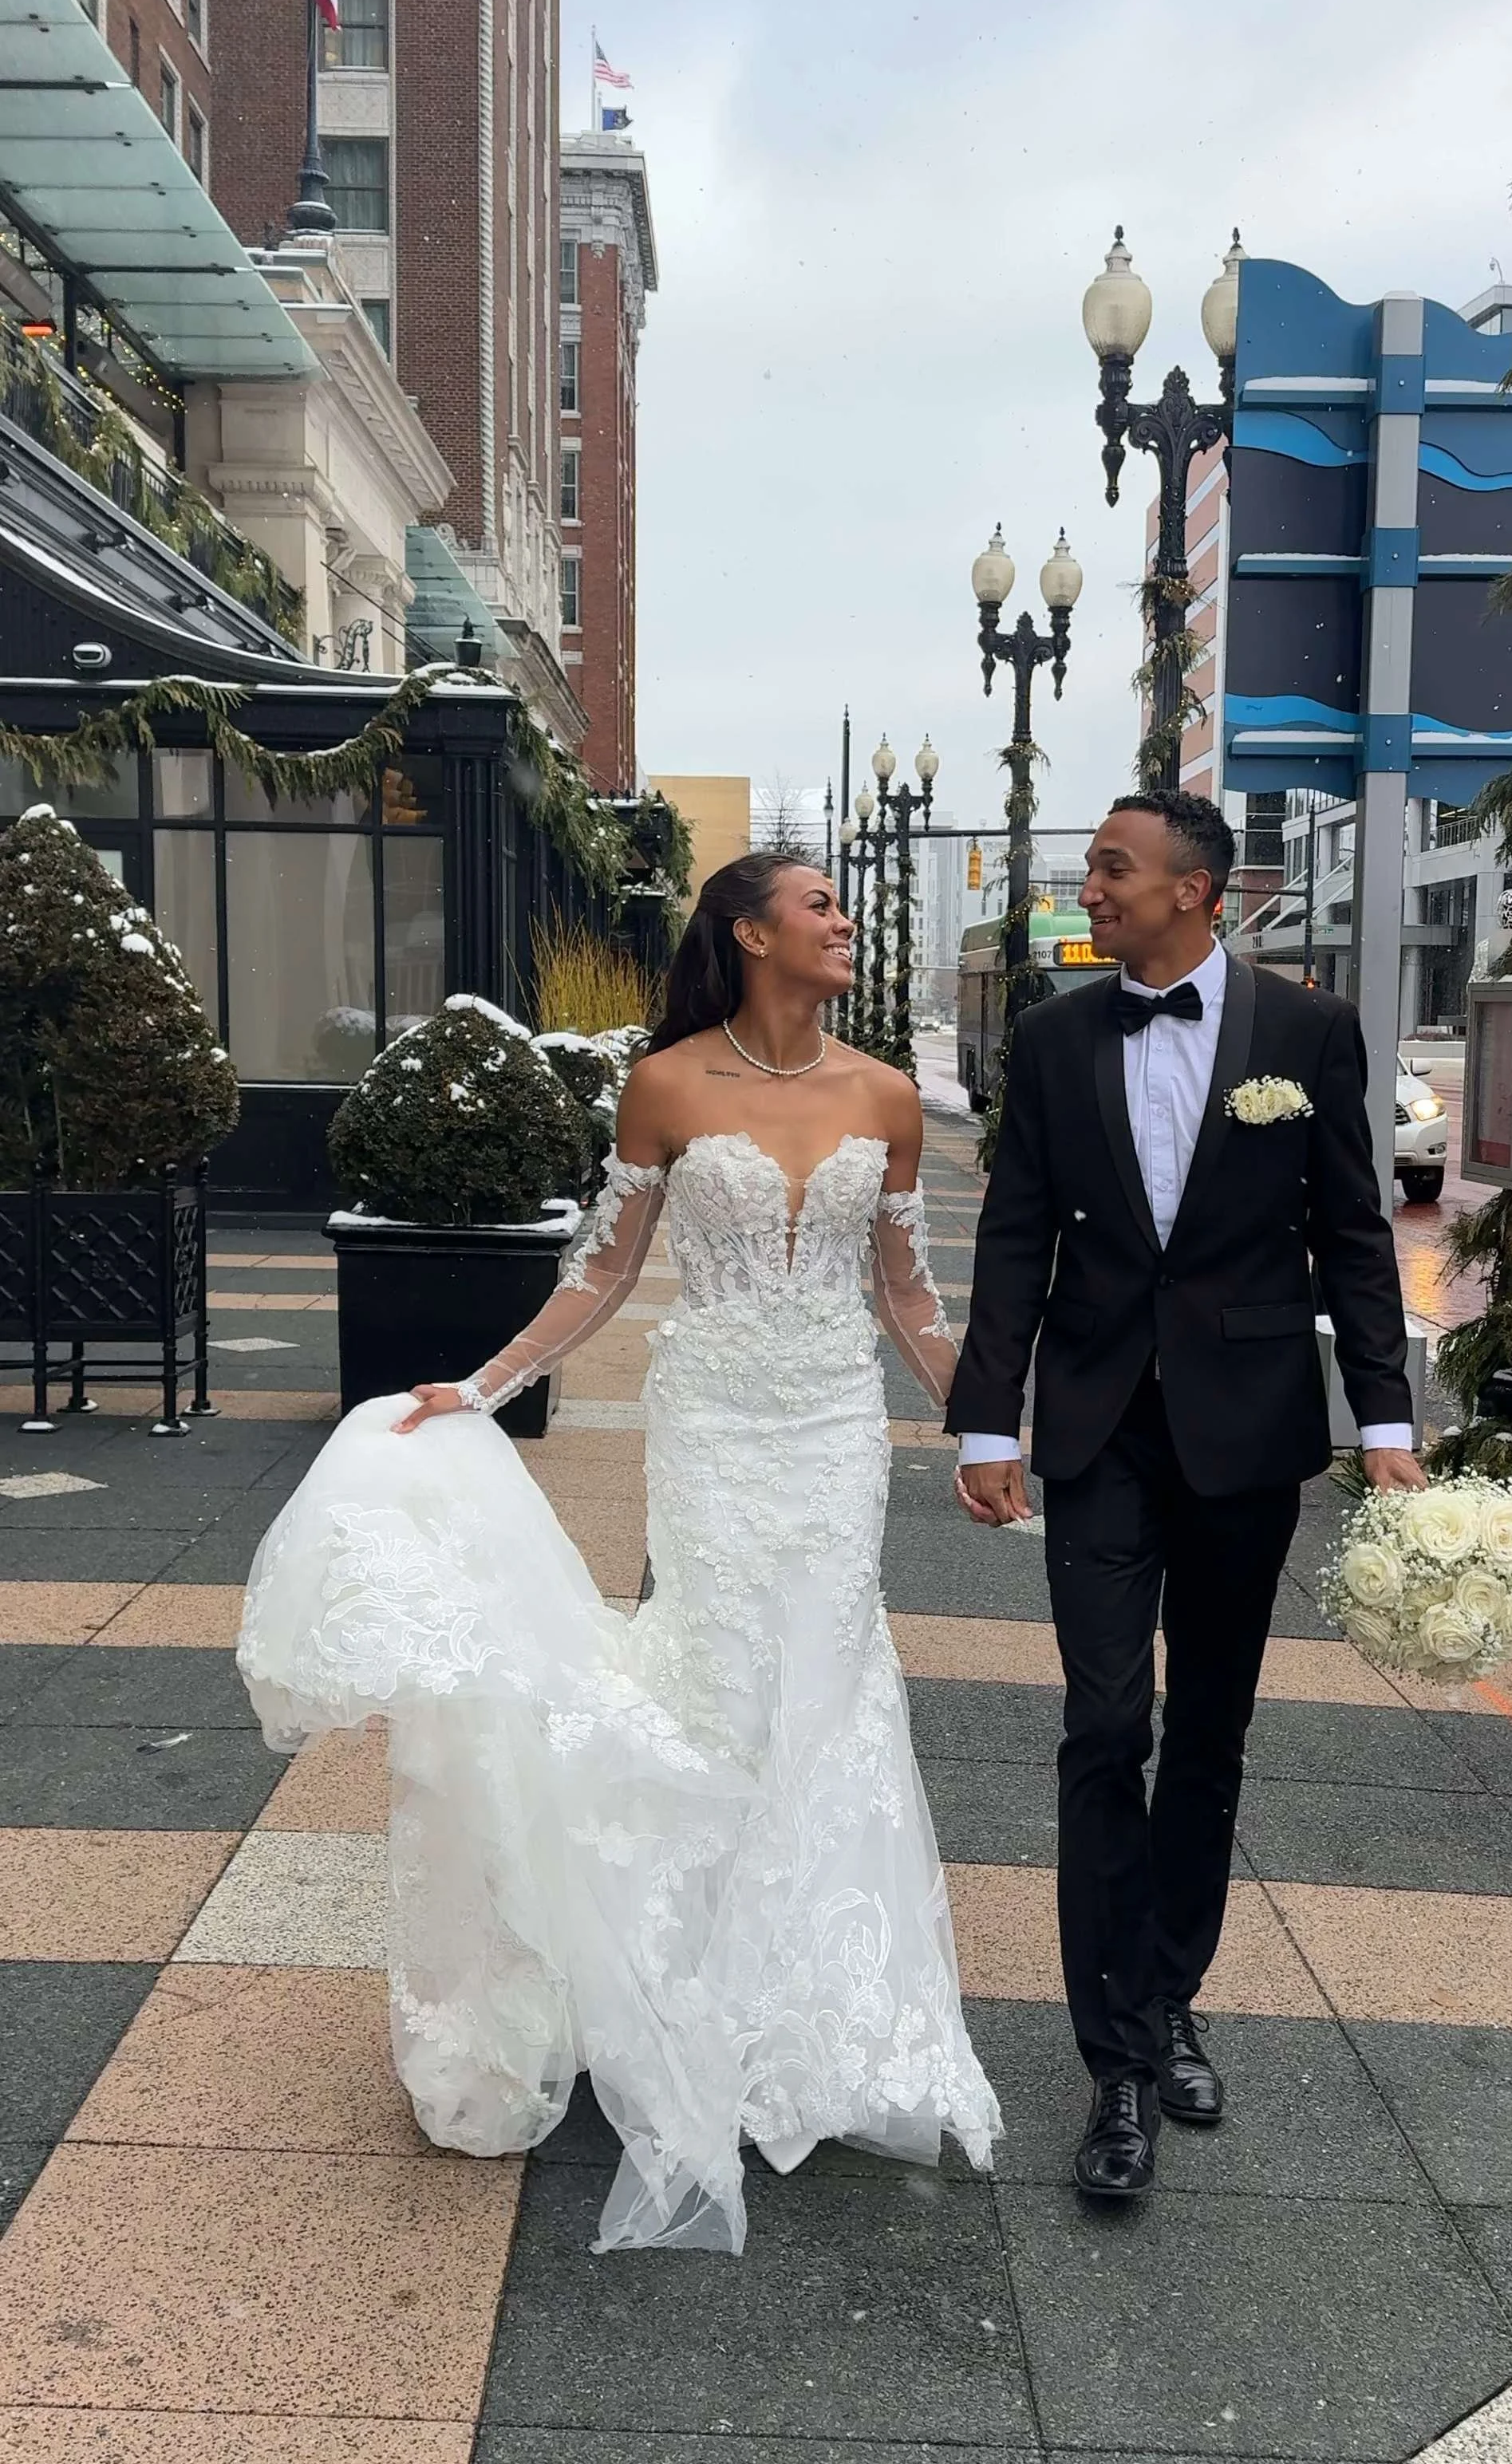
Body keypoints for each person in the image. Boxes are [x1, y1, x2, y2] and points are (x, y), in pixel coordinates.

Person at [237, 854, 999, 2253]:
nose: (844, 922)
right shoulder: (664, 1085)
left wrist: (988, 1426)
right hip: (711, 1423)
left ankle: (817, 2013)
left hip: (834, 1427)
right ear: (750, 932)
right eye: (820, 905)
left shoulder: (887, 1093)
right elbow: (605, 1268)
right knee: (721, 1678)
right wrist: (481, 1387)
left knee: (828, 1682)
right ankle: (684, 1986)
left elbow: (905, 1294)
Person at [949, 791, 1422, 2203]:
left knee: (1209, 1731)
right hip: (1099, 1428)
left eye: (1114, 868)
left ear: (1197, 889)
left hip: (1247, 1428)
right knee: (1106, 1727)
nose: (1091, 887)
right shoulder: (1052, 1040)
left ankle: (1167, 1999)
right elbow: (1013, 1235)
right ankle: (1114, 2063)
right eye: (1094, 865)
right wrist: (988, 1420)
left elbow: (1352, 1230)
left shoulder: (1308, 1033)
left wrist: (1385, 1419)